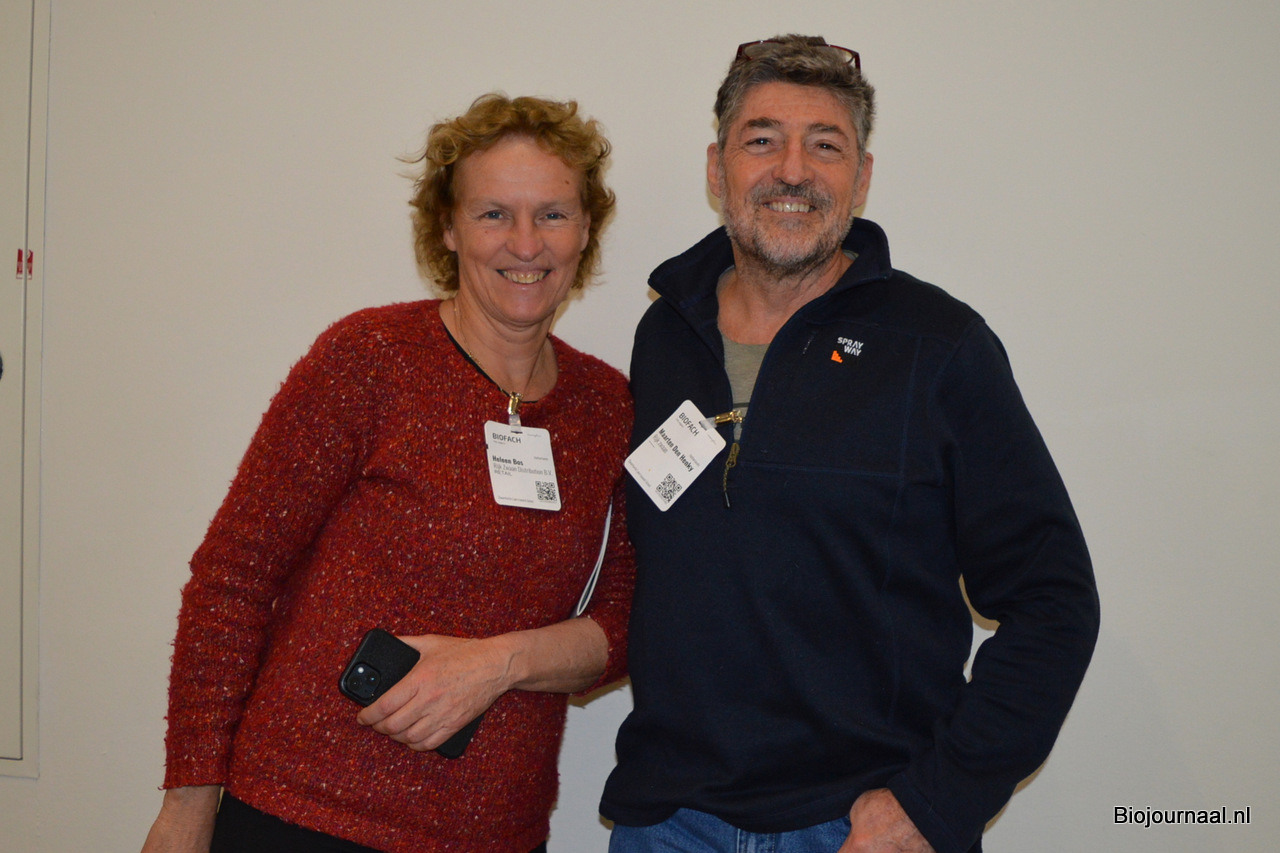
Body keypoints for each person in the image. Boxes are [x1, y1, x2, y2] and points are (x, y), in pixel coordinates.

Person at [601, 35, 1100, 853]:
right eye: (762, 139)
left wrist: (934, 802)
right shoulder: (666, 336)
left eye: (825, 146)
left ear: (861, 178)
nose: (792, 170)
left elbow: (1054, 600)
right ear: (717, 168)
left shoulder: (940, 347)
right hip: (669, 821)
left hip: (857, 828)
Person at [141, 93, 634, 853]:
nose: (526, 243)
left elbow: (625, 621)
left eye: (553, 213)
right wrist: (186, 806)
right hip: (300, 817)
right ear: (447, 227)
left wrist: (496, 664)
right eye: (493, 214)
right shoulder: (370, 360)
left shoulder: (607, 408)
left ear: (587, 228)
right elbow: (233, 579)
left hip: (495, 834)